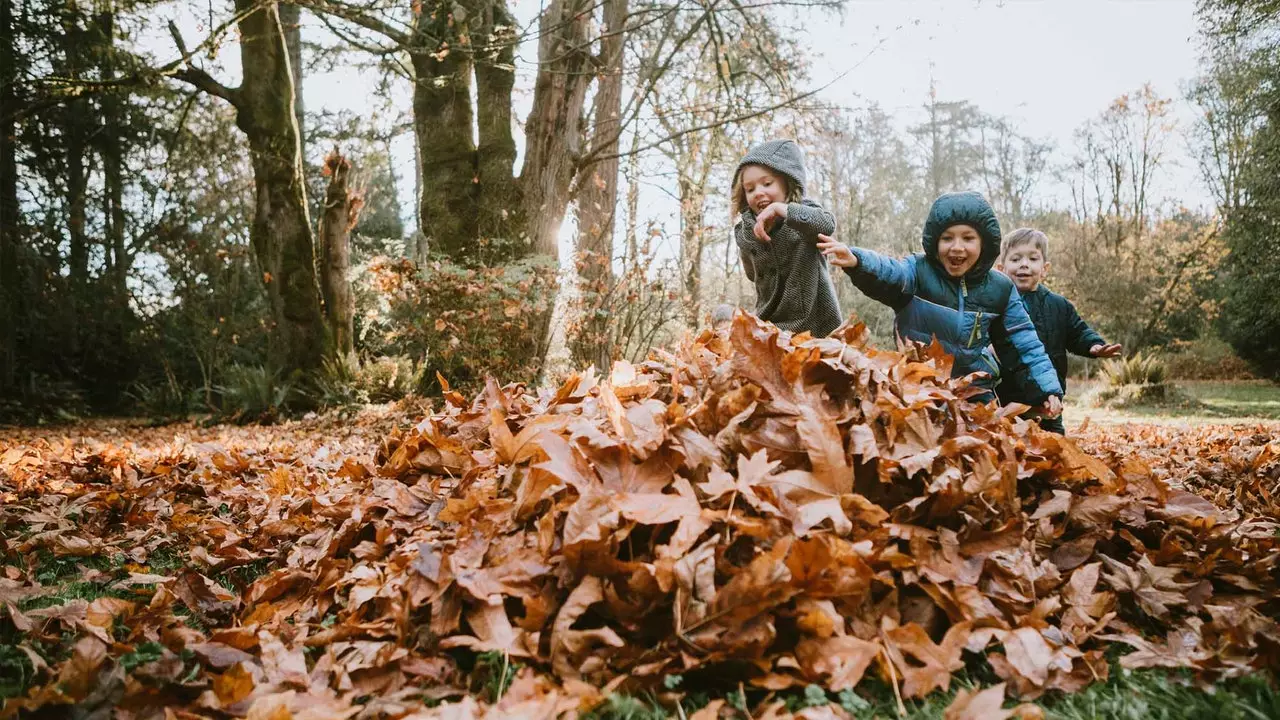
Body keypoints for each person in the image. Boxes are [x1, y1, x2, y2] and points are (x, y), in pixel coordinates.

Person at [817, 191, 1063, 415]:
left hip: (974, 389)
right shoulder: (917, 273)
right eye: (947, 238)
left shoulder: (1000, 289)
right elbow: (890, 272)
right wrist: (858, 261)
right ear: (935, 242)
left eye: (968, 238)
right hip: (919, 384)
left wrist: (1046, 389)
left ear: (984, 244)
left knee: (985, 446)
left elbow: (1023, 342)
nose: (957, 247)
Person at [994, 228, 1122, 433]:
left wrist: (1094, 345)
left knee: (1054, 446)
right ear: (1001, 269)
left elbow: (1078, 331)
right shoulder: (995, 306)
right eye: (1016, 259)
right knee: (1009, 447)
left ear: (1044, 268)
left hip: (1048, 400)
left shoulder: (1059, 306)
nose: (1024, 264)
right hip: (1008, 398)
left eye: (1032, 258)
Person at [732, 139, 843, 338]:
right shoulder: (746, 232)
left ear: (787, 181)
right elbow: (752, 274)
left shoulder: (803, 216)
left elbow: (827, 224)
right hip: (770, 326)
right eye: (750, 189)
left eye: (767, 183)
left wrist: (782, 210)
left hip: (815, 327)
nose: (758, 193)